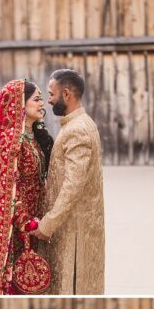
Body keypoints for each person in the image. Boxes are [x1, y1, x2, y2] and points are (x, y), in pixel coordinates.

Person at [0, 80, 54, 294]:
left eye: (42, 98)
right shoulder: (11, 141)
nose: (42, 103)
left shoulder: (34, 138)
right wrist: (27, 223)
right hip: (15, 229)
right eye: (36, 99)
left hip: (36, 223)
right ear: (19, 104)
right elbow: (6, 191)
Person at [35, 69, 105, 294]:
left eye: (51, 94)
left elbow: (73, 185)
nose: (48, 100)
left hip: (75, 230)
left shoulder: (77, 130)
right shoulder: (79, 124)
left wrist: (48, 223)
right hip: (77, 225)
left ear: (66, 94)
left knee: (72, 289)